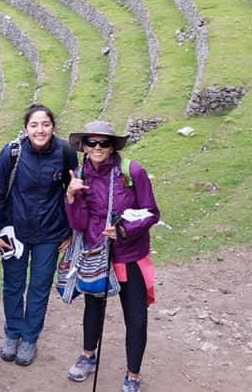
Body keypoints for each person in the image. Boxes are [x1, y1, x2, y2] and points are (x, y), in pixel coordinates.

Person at [64, 121, 160, 392]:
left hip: (129, 254)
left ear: (112, 146)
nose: (97, 147)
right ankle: (88, 356)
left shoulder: (132, 172)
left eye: (103, 143)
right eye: (91, 143)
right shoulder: (81, 174)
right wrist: (70, 197)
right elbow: (80, 222)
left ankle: (133, 373)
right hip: (97, 251)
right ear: (83, 146)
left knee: (136, 316)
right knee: (93, 308)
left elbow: (152, 212)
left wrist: (125, 231)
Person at [0, 104, 77, 366]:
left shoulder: (65, 152)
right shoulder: (12, 152)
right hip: (14, 231)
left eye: (45, 124)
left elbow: (73, 191)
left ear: (53, 127)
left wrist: (71, 231)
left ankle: (29, 338)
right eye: (34, 125)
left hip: (50, 232)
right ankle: (12, 333)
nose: (40, 130)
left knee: (39, 286)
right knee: (13, 285)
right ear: (26, 128)